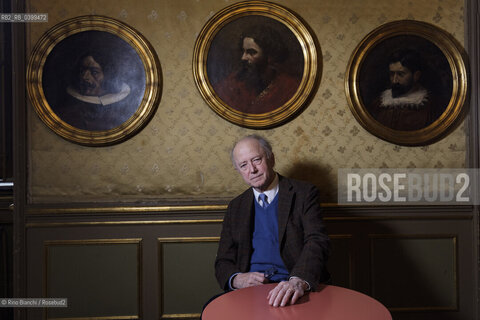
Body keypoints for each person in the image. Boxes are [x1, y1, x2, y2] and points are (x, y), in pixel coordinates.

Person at [213, 134, 330, 309]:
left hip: (292, 286)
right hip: (250, 292)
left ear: (271, 158)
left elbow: (317, 241)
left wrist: (298, 281)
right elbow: (223, 260)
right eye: (243, 165)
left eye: (256, 160)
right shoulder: (236, 207)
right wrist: (237, 279)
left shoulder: (304, 193)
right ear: (238, 170)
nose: (252, 170)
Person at [214, 26, 302, 114]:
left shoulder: (290, 87)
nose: (243, 58)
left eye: (251, 52)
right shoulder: (233, 81)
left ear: (270, 55)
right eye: (243, 51)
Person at [57, 51, 137, 131]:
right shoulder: (68, 111)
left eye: (94, 72)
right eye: (82, 71)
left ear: (108, 75)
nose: (84, 77)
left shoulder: (125, 111)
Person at [369, 49, 438, 131]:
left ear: (416, 75)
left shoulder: (429, 106)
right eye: (391, 74)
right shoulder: (379, 103)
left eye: (401, 74)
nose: (394, 80)